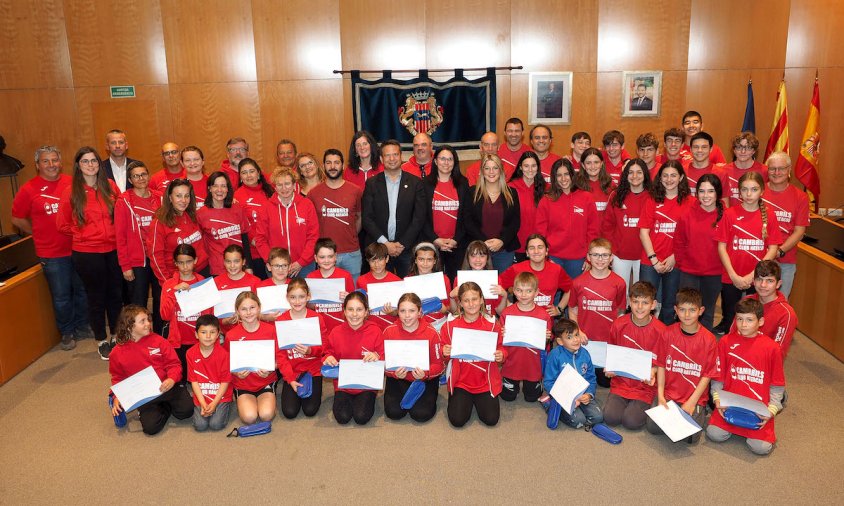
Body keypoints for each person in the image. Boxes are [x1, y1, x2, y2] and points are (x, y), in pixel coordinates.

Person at [11, 146, 90, 350]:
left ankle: (83, 325)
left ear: (60, 162)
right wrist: (36, 233)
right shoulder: (28, 189)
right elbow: (17, 219)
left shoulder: (72, 182)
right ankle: (67, 331)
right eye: (46, 161)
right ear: (38, 165)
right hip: (52, 253)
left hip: (79, 247)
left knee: (82, 290)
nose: (51, 164)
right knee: (61, 295)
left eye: (54, 160)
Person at [57, 147, 122, 360]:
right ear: (78, 165)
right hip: (87, 253)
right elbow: (62, 224)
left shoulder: (110, 186)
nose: (91, 164)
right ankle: (102, 340)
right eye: (85, 161)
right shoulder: (71, 191)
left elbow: (121, 213)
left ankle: (115, 335)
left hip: (113, 250)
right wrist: (84, 234)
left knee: (115, 295)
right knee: (96, 297)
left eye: (94, 160)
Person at [706, 298, 785, 455]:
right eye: (740, 319)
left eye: (749, 320)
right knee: (713, 434)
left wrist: (772, 410)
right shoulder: (725, 342)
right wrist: (717, 399)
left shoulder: (772, 348)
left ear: (760, 321)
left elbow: (777, 384)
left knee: (760, 448)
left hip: (758, 409)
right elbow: (718, 378)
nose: (743, 324)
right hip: (730, 404)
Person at [109, 305, 193, 435]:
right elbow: (117, 377)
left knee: (186, 412)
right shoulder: (117, 352)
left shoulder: (159, 341)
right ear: (129, 326)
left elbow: (174, 364)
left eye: (148, 319)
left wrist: (172, 379)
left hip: (168, 385)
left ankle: (166, 403)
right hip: (145, 394)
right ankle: (164, 407)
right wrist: (117, 396)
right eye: (142, 321)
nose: (148, 323)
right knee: (151, 428)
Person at [647, 287, 717, 443]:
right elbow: (661, 366)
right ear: (675, 310)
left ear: (701, 311)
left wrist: (692, 402)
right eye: (682, 310)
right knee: (652, 428)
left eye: (692, 310)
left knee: (690, 438)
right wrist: (660, 396)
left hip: (693, 397)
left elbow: (707, 375)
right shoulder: (667, 333)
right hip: (669, 394)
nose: (686, 315)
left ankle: (701, 411)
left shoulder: (709, 339)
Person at [715, 172, 782, 334]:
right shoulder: (730, 214)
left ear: (762, 191)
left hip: (758, 277)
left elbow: (773, 248)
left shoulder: (769, 215)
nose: (749, 194)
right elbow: (721, 247)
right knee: (730, 313)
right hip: (732, 275)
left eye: (754, 189)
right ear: (739, 192)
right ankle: (729, 341)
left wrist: (754, 275)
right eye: (744, 189)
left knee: (753, 316)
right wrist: (733, 275)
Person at [225, 291, 298, 424]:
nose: (248, 312)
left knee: (266, 415)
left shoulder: (270, 331)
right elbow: (226, 363)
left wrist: (271, 368)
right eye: (243, 309)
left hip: (266, 381)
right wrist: (235, 372)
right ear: (237, 311)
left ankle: (270, 394)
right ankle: (239, 396)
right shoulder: (231, 335)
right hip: (243, 383)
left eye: (252, 308)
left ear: (259, 308)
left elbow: (280, 359)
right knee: (249, 417)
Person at [441, 282, 506, 427]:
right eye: (466, 300)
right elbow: (443, 352)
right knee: (457, 420)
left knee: (491, 420)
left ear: (482, 299)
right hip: (461, 382)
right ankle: (461, 399)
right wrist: (444, 352)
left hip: (484, 381)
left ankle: (477, 399)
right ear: (460, 303)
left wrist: (501, 354)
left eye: (475, 299)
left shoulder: (493, 324)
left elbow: (501, 347)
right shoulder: (450, 325)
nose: (471, 304)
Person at [603, 281, 666, 430]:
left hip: (645, 386)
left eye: (645, 303)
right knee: (610, 418)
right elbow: (612, 351)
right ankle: (624, 401)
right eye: (635, 302)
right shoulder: (619, 324)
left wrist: (654, 371)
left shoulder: (662, 331)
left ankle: (646, 403)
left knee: (630, 422)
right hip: (621, 383)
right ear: (629, 302)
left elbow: (662, 363)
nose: (639, 307)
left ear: (653, 305)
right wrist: (610, 367)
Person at [362, 140, 427, 278]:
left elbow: (419, 218)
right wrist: (386, 244)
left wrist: (401, 244)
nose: (392, 159)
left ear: (401, 156)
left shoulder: (416, 183)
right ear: (381, 159)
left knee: (409, 290)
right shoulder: (372, 184)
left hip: (406, 248)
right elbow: (367, 218)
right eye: (387, 155)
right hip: (379, 249)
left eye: (395, 154)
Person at [639, 160, 693, 325]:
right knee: (646, 303)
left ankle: (667, 338)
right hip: (650, 261)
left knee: (670, 304)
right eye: (665, 175)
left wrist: (674, 257)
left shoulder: (690, 203)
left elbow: (690, 235)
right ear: (660, 178)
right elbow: (643, 232)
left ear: (681, 177)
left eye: (673, 175)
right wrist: (654, 259)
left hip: (676, 261)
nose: (669, 179)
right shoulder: (651, 200)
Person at [568, 238, 627, 387]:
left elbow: (621, 311)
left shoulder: (619, 283)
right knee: (581, 381)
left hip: (607, 342)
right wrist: (578, 332)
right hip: (584, 341)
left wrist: (615, 336)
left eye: (605, 255)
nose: (600, 259)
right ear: (588, 257)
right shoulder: (578, 282)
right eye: (595, 255)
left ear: (611, 258)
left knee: (605, 382)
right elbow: (573, 309)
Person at [114, 161, 163, 333]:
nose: (140, 178)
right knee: (138, 303)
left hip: (157, 259)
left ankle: (159, 335)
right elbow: (120, 236)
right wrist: (125, 266)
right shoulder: (124, 201)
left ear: (148, 176)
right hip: (137, 261)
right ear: (130, 179)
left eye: (143, 174)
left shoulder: (160, 198)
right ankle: (138, 337)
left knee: (160, 299)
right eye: (136, 176)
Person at [322, 291, 384, 425]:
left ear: (366, 312)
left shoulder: (375, 331)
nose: (354, 314)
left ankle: (367, 399)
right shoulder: (336, 332)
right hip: (343, 385)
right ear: (344, 311)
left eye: (359, 309)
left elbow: (384, 355)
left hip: (367, 385)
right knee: (342, 417)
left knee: (361, 417)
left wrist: (377, 355)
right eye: (350, 309)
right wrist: (329, 357)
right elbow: (326, 352)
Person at [382, 293, 444, 422]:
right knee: (394, 413)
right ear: (397, 312)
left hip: (423, 379)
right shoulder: (389, 331)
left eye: (412, 311)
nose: (407, 315)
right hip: (398, 378)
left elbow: (439, 366)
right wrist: (393, 373)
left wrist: (425, 374)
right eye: (402, 311)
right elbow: (383, 362)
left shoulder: (431, 333)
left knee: (421, 415)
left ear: (420, 312)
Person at [674, 174, 724, 331]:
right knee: (686, 312)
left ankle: (705, 348)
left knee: (707, 312)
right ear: (697, 193)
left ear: (717, 193)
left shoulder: (726, 216)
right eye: (702, 191)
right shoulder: (687, 214)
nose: (706, 195)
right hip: (689, 272)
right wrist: (684, 263)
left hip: (714, 273)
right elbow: (679, 242)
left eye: (710, 191)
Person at [535, 158, 598, 280]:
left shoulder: (586, 198)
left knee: (575, 295)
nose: (563, 179)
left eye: (566, 174)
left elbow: (593, 231)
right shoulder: (546, 200)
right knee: (554, 295)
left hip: (578, 258)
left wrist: (590, 257)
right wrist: (545, 257)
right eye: (559, 175)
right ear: (554, 178)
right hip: (553, 257)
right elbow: (540, 232)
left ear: (572, 175)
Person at [275, 278, 328, 419]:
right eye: (293, 297)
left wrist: (310, 351)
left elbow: (324, 347)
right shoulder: (281, 321)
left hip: (313, 371)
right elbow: (280, 355)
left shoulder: (317, 318)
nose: (297, 301)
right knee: (290, 412)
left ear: (308, 296)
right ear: (287, 298)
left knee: (310, 410)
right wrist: (290, 379)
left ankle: (316, 386)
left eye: (301, 297)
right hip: (293, 371)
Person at [253, 167, 319, 278]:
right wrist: (273, 262)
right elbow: (260, 239)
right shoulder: (265, 208)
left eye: (287, 184)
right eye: (279, 185)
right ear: (275, 187)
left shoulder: (307, 205)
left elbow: (313, 236)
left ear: (294, 185)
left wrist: (301, 262)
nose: (284, 188)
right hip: (276, 268)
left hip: (304, 266)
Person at [309, 149, 364, 281]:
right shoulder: (313, 194)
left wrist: (349, 234)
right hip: (325, 255)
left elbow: (359, 217)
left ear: (343, 166)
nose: (333, 166)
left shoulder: (355, 191)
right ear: (323, 166)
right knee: (328, 298)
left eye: (336, 163)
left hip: (351, 253)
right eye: (328, 163)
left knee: (353, 297)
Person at [462, 153, 520, 273]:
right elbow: (467, 221)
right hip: (478, 251)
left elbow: (515, 222)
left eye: (495, 168)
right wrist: (483, 242)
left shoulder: (511, 193)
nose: (491, 172)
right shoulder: (472, 192)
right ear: (482, 172)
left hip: (504, 250)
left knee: (501, 286)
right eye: (487, 168)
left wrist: (502, 241)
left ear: (501, 171)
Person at [500, 272, 552, 403]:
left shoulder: (543, 315)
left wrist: (546, 338)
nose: (523, 295)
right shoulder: (507, 313)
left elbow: (546, 345)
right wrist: (501, 334)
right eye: (519, 290)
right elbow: (501, 343)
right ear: (514, 291)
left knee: (532, 398)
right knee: (508, 397)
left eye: (528, 291)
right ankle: (510, 381)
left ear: (536, 292)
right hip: (511, 362)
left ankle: (534, 382)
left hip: (533, 364)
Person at [159, 244, 211, 376]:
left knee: (199, 376)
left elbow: (209, 313)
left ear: (195, 261)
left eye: (188, 262)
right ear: (175, 263)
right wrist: (174, 293)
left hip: (199, 339)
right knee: (179, 377)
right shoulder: (169, 285)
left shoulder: (202, 282)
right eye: (181, 263)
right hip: (178, 341)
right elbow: (164, 315)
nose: (185, 267)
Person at [763, 152, 809, 298]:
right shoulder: (757, 192)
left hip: (785, 261)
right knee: (751, 307)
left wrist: (779, 251)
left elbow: (799, 231)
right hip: (757, 257)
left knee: (779, 306)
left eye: (781, 168)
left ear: (789, 171)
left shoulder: (800, 197)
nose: (777, 173)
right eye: (772, 169)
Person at [730, 261, 798, 359]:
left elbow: (778, 353)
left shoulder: (786, 314)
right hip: (738, 356)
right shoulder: (746, 300)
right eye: (759, 279)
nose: (763, 285)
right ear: (753, 281)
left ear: (778, 284)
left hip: (762, 364)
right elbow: (732, 333)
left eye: (769, 281)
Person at [602, 158, 652, 290]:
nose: (635, 176)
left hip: (645, 255)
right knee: (620, 290)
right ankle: (622, 312)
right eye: (631, 172)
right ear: (625, 175)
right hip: (620, 254)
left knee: (641, 293)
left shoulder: (653, 196)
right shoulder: (616, 196)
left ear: (645, 174)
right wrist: (611, 250)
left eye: (639, 172)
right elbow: (607, 226)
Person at [543, 318, 602, 428]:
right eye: (569, 337)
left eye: (576, 335)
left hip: (582, 393)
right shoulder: (555, 355)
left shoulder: (585, 354)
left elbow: (591, 378)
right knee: (578, 421)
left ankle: (580, 405)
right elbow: (548, 382)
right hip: (563, 395)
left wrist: (588, 394)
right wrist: (567, 397)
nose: (575, 340)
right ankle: (549, 404)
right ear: (560, 341)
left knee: (597, 417)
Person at [422, 145, 470, 280]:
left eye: (450, 159)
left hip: (456, 244)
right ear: (435, 161)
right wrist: (435, 240)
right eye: (442, 158)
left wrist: (455, 240)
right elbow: (422, 217)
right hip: (432, 244)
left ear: (455, 162)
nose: (446, 162)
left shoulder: (463, 183)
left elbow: (466, 216)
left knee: (455, 283)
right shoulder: (425, 184)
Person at [149, 178, 209, 283]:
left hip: (202, 273)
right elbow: (156, 257)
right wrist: (168, 283)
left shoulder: (193, 215)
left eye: (187, 196)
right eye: (178, 196)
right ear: (170, 198)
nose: (183, 200)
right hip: (178, 278)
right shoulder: (159, 223)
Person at [500, 233, 572, 317]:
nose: (536, 251)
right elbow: (497, 286)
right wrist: (509, 305)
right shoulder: (516, 269)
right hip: (520, 318)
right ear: (527, 252)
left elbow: (571, 289)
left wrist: (559, 309)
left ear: (546, 251)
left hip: (545, 321)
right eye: (532, 248)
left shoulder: (556, 269)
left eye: (540, 247)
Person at [196, 171, 251, 277]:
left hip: (240, 268)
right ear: (209, 188)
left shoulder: (238, 209)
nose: (219, 190)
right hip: (217, 270)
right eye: (215, 186)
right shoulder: (201, 214)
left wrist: (248, 266)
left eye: (223, 186)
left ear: (227, 189)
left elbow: (245, 239)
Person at [187, 314, 232, 431]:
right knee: (200, 426)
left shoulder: (224, 354)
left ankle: (226, 406)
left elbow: (225, 381)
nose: (208, 336)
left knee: (215, 424)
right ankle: (205, 407)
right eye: (203, 332)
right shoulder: (190, 353)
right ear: (196, 334)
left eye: (212, 332)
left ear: (218, 335)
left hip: (220, 396)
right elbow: (194, 381)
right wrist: (202, 403)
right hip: (201, 395)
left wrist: (215, 403)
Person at [234, 158, 274, 278]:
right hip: (254, 251)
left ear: (258, 173)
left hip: (273, 248)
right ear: (240, 176)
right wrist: (255, 240)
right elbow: (241, 222)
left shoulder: (270, 191)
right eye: (244, 172)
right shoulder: (237, 196)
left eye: (251, 171)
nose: (248, 175)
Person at [306, 238, 355, 332]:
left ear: (335, 256)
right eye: (322, 257)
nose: (326, 260)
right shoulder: (311, 277)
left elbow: (353, 303)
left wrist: (348, 298)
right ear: (316, 258)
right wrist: (309, 301)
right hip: (319, 326)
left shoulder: (345, 276)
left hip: (340, 325)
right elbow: (308, 305)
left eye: (330, 256)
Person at [508, 151, 546, 263]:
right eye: (526, 166)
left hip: (538, 247)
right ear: (520, 167)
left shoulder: (546, 189)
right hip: (517, 246)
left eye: (533, 166)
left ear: (538, 168)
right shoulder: (510, 188)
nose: (530, 169)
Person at [452, 241, 507, 316]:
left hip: (488, 320)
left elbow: (500, 312)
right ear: (468, 258)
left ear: (487, 258)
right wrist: (451, 297)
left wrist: (504, 296)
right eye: (473, 256)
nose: (478, 260)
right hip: (466, 320)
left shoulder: (495, 279)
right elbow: (455, 312)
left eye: (482, 256)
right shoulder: (459, 279)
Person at [356, 243, 401, 330]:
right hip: (369, 328)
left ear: (387, 259)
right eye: (373, 260)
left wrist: (394, 313)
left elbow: (401, 310)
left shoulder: (397, 281)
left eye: (380, 259)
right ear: (368, 261)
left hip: (390, 327)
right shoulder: (361, 281)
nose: (377, 265)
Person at [407, 242, 452, 327]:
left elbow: (451, 308)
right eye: (421, 259)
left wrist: (445, 309)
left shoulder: (444, 279)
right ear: (415, 260)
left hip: (439, 323)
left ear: (435, 261)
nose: (425, 263)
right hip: (416, 324)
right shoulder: (408, 280)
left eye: (429, 259)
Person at [723, 132, 767, 207]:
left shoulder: (764, 171)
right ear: (734, 150)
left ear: (754, 151)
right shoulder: (723, 171)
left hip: (755, 216)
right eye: (739, 147)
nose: (743, 151)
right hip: (730, 216)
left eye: (748, 148)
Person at [575, 147, 615, 218]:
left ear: (601, 163)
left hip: (606, 229)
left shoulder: (611, 186)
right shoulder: (576, 186)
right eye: (588, 163)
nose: (593, 166)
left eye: (596, 162)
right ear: (583, 165)